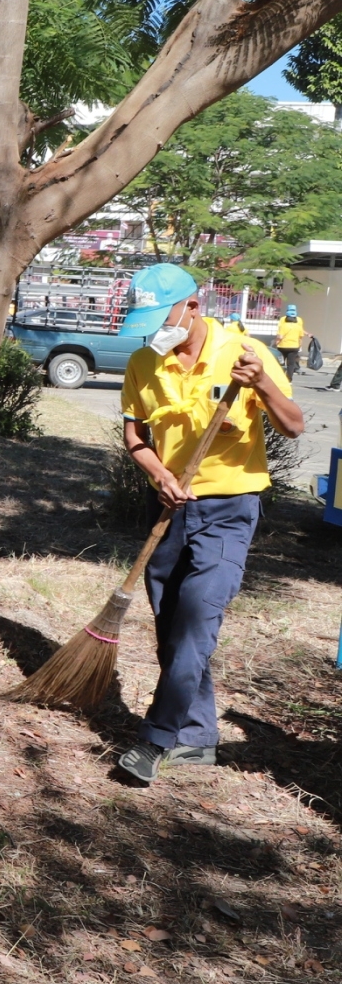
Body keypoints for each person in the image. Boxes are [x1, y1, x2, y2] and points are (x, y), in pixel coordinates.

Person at [112, 263, 303, 785]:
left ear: (192, 307)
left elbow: (293, 426)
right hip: (169, 508)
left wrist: (262, 382)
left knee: (198, 618)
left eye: (162, 317)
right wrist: (158, 474)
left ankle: (155, 740)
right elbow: (135, 437)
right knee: (173, 625)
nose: (155, 331)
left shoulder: (243, 353)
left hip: (229, 509)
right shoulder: (143, 362)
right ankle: (197, 738)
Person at [275, 305, 304, 377]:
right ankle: (289, 379)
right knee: (291, 364)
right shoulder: (299, 322)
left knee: (280, 363)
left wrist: (276, 343)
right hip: (294, 346)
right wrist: (299, 346)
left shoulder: (283, 321)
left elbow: (280, 336)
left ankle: (279, 377)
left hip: (282, 346)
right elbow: (300, 337)